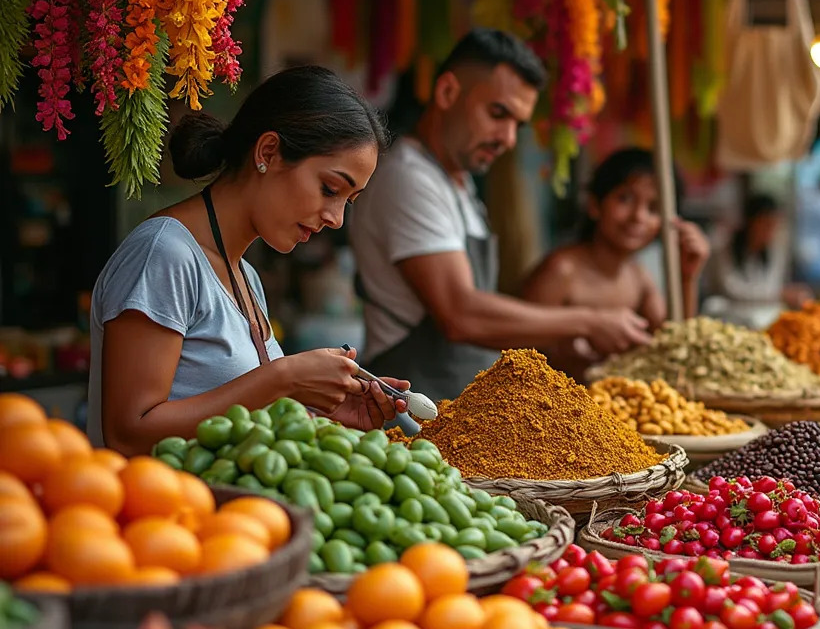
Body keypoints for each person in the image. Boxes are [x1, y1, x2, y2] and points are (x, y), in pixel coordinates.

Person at [89, 66, 407, 453]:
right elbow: (127, 432)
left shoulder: (245, 276)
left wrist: (320, 412)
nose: (335, 218)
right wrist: (283, 378)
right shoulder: (163, 254)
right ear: (268, 152)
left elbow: (228, 418)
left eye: (347, 202)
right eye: (329, 188)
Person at [348, 29, 651, 401]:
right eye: (497, 114)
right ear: (447, 93)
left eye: (517, 125)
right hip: (407, 406)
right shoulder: (410, 178)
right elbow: (460, 314)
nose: (508, 139)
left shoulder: (458, 184)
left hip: (451, 403)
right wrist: (588, 321)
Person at [519, 148, 709, 379]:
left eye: (653, 208)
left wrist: (688, 277)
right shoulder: (562, 271)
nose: (638, 216)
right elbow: (517, 346)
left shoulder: (638, 277)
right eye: (625, 199)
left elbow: (673, 344)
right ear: (594, 205)